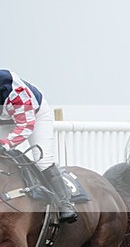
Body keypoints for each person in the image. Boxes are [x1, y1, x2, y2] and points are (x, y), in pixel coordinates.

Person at [0, 69, 77, 223]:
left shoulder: (14, 90)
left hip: (33, 116)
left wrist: (5, 144)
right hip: (5, 119)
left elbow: (26, 125)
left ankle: (64, 203)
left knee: (42, 160)